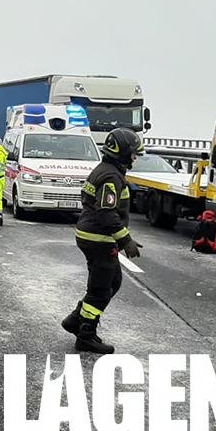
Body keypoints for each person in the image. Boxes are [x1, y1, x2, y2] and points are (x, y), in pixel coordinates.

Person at [61, 128, 144, 354]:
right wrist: (125, 240)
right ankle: (86, 335)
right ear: (122, 152)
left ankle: (75, 320)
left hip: (94, 235)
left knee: (112, 282)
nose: (135, 158)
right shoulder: (111, 177)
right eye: (133, 154)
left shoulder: (105, 170)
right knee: (101, 290)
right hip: (98, 239)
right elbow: (106, 213)